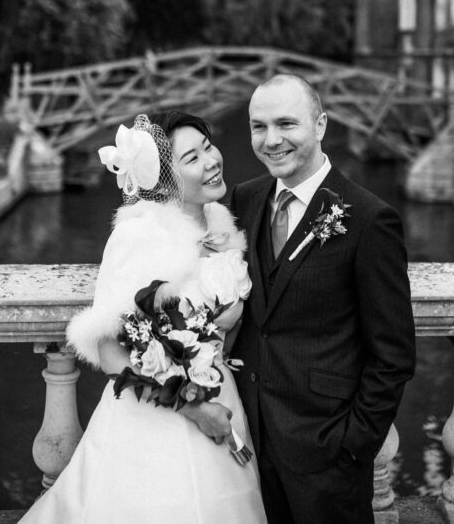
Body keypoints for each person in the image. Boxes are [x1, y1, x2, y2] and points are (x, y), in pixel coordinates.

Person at [18, 112, 267, 523]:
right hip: (157, 421)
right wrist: (190, 403)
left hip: (223, 403)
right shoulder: (142, 234)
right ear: (167, 179)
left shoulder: (221, 226)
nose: (211, 160)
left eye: (208, 146)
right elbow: (109, 346)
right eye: (192, 157)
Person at [227, 74, 416, 524]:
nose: (271, 140)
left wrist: (352, 445)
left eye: (286, 124)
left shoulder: (370, 220)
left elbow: (393, 354)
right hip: (249, 442)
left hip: (327, 453)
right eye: (258, 126)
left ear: (321, 125)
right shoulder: (246, 199)